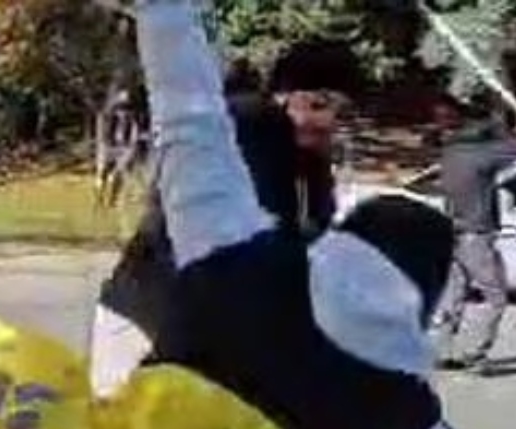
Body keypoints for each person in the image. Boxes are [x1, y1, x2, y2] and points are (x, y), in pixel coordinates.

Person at [0, 2, 457, 429]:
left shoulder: (236, 244)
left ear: (342, 245)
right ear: (427, 300)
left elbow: (188, 114)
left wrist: (165, 12)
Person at [89, 38, 355, 397]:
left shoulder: (307, 162)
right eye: (318, 104)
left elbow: (310, 238)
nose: (327, 121)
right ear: (282, 95)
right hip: (150, 311)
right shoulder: (249, 126)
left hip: (207, 330)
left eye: (342, 113)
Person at [430, 94, 516, 372]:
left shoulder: (452, 152)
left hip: (451, 233)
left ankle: (441, 350)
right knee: (495, 297)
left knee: (454, 295)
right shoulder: (480, 156)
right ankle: (473, 354)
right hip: (475, 236)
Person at [95, 88, 144, 209]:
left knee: (117, 175)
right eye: (122, 106)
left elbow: (134, 132)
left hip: (123, 147)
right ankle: (99, 199)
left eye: (126, 106)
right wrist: (103, 145)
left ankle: (112, 200)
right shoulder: (107, 115)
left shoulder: (131, 116)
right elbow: (101, 131)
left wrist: (133, 145)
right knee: (102, 174)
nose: (124, 110)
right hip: (108, 146)